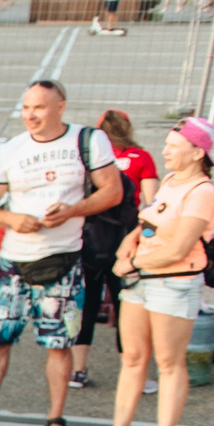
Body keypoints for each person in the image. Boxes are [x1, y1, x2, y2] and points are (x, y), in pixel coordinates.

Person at [0, 80, 121, 426]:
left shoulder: (88, 140)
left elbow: (112, 191)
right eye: (26, 108)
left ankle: (56, 418)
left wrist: (73, 211)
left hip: (63, 261)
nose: (31, 115)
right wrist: (10, 219)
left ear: (61, 107)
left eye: (39, 107)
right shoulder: (9, 150)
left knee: (59, 343)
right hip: (13, 262)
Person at [83, 118, 214, 426]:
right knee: (132, 358)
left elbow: (179, 249)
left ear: (197, 152)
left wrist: (133, 265)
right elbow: (147, 222)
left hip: (173, 283)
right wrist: (128, 246)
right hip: (143, 280)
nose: (165, 152)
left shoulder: (201, 191)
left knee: (170, 364)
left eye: (173, 147)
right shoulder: (173, 181)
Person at [75, 107, 155, 393]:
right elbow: (152, 203)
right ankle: (131, 372)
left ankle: (78, 369)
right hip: (124, 243)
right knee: (126, 307)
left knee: (87, 304)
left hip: (90, 241)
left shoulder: (92, 160)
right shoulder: (141, 158)